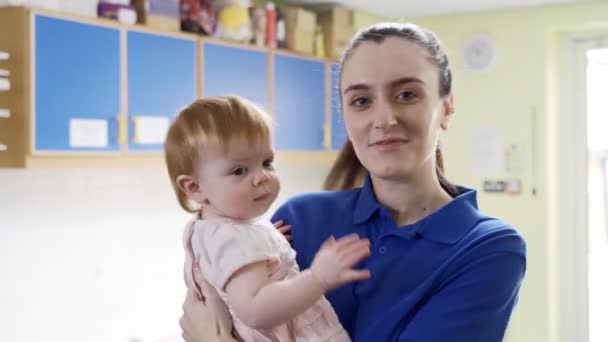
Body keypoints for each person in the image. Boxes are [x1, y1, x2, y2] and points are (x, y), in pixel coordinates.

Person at [180, 22, 527, 342]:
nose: (384, 119)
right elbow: (216, 311)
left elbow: (212, 330)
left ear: (446, 108)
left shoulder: (489, 249)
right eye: (361, 101)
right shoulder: (298, 220)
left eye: (407, 94)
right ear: (345, 116)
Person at [165, 96, 372, 341]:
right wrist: (317, 278)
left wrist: (267, 251)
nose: (262, 177)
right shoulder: (237, 239)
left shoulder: (203, 230)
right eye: (240, 170)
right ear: (194, 187)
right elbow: (255, 311)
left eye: (267, 163)